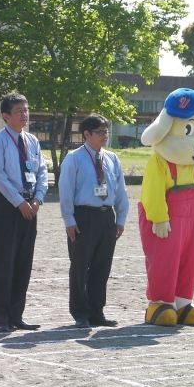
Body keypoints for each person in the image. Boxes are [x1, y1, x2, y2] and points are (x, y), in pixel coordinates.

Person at [59, 114, 129, 328]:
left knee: (102, 266)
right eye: (100, 132)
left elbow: (120, 190)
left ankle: (96, 311)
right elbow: (66, 191)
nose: (104, 135)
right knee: (80, 266)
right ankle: (80, 313)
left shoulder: (112, 159)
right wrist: (69, 220)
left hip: (106, 216)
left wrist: (121, 217)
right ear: (86, 135)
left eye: (106, 131)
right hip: (84, 216)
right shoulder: (74, 158)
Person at [0, 93, 48, 332]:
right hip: (6, 206)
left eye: (26, 109)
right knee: (4, 262)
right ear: (6, 115)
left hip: (30, 206)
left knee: (24, 262)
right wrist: (18, 202)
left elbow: (42, 171)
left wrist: (37, 199)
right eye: (18, 111)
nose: (24, 114)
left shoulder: (32, 141)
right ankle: (0, 316)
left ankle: (16, 315)